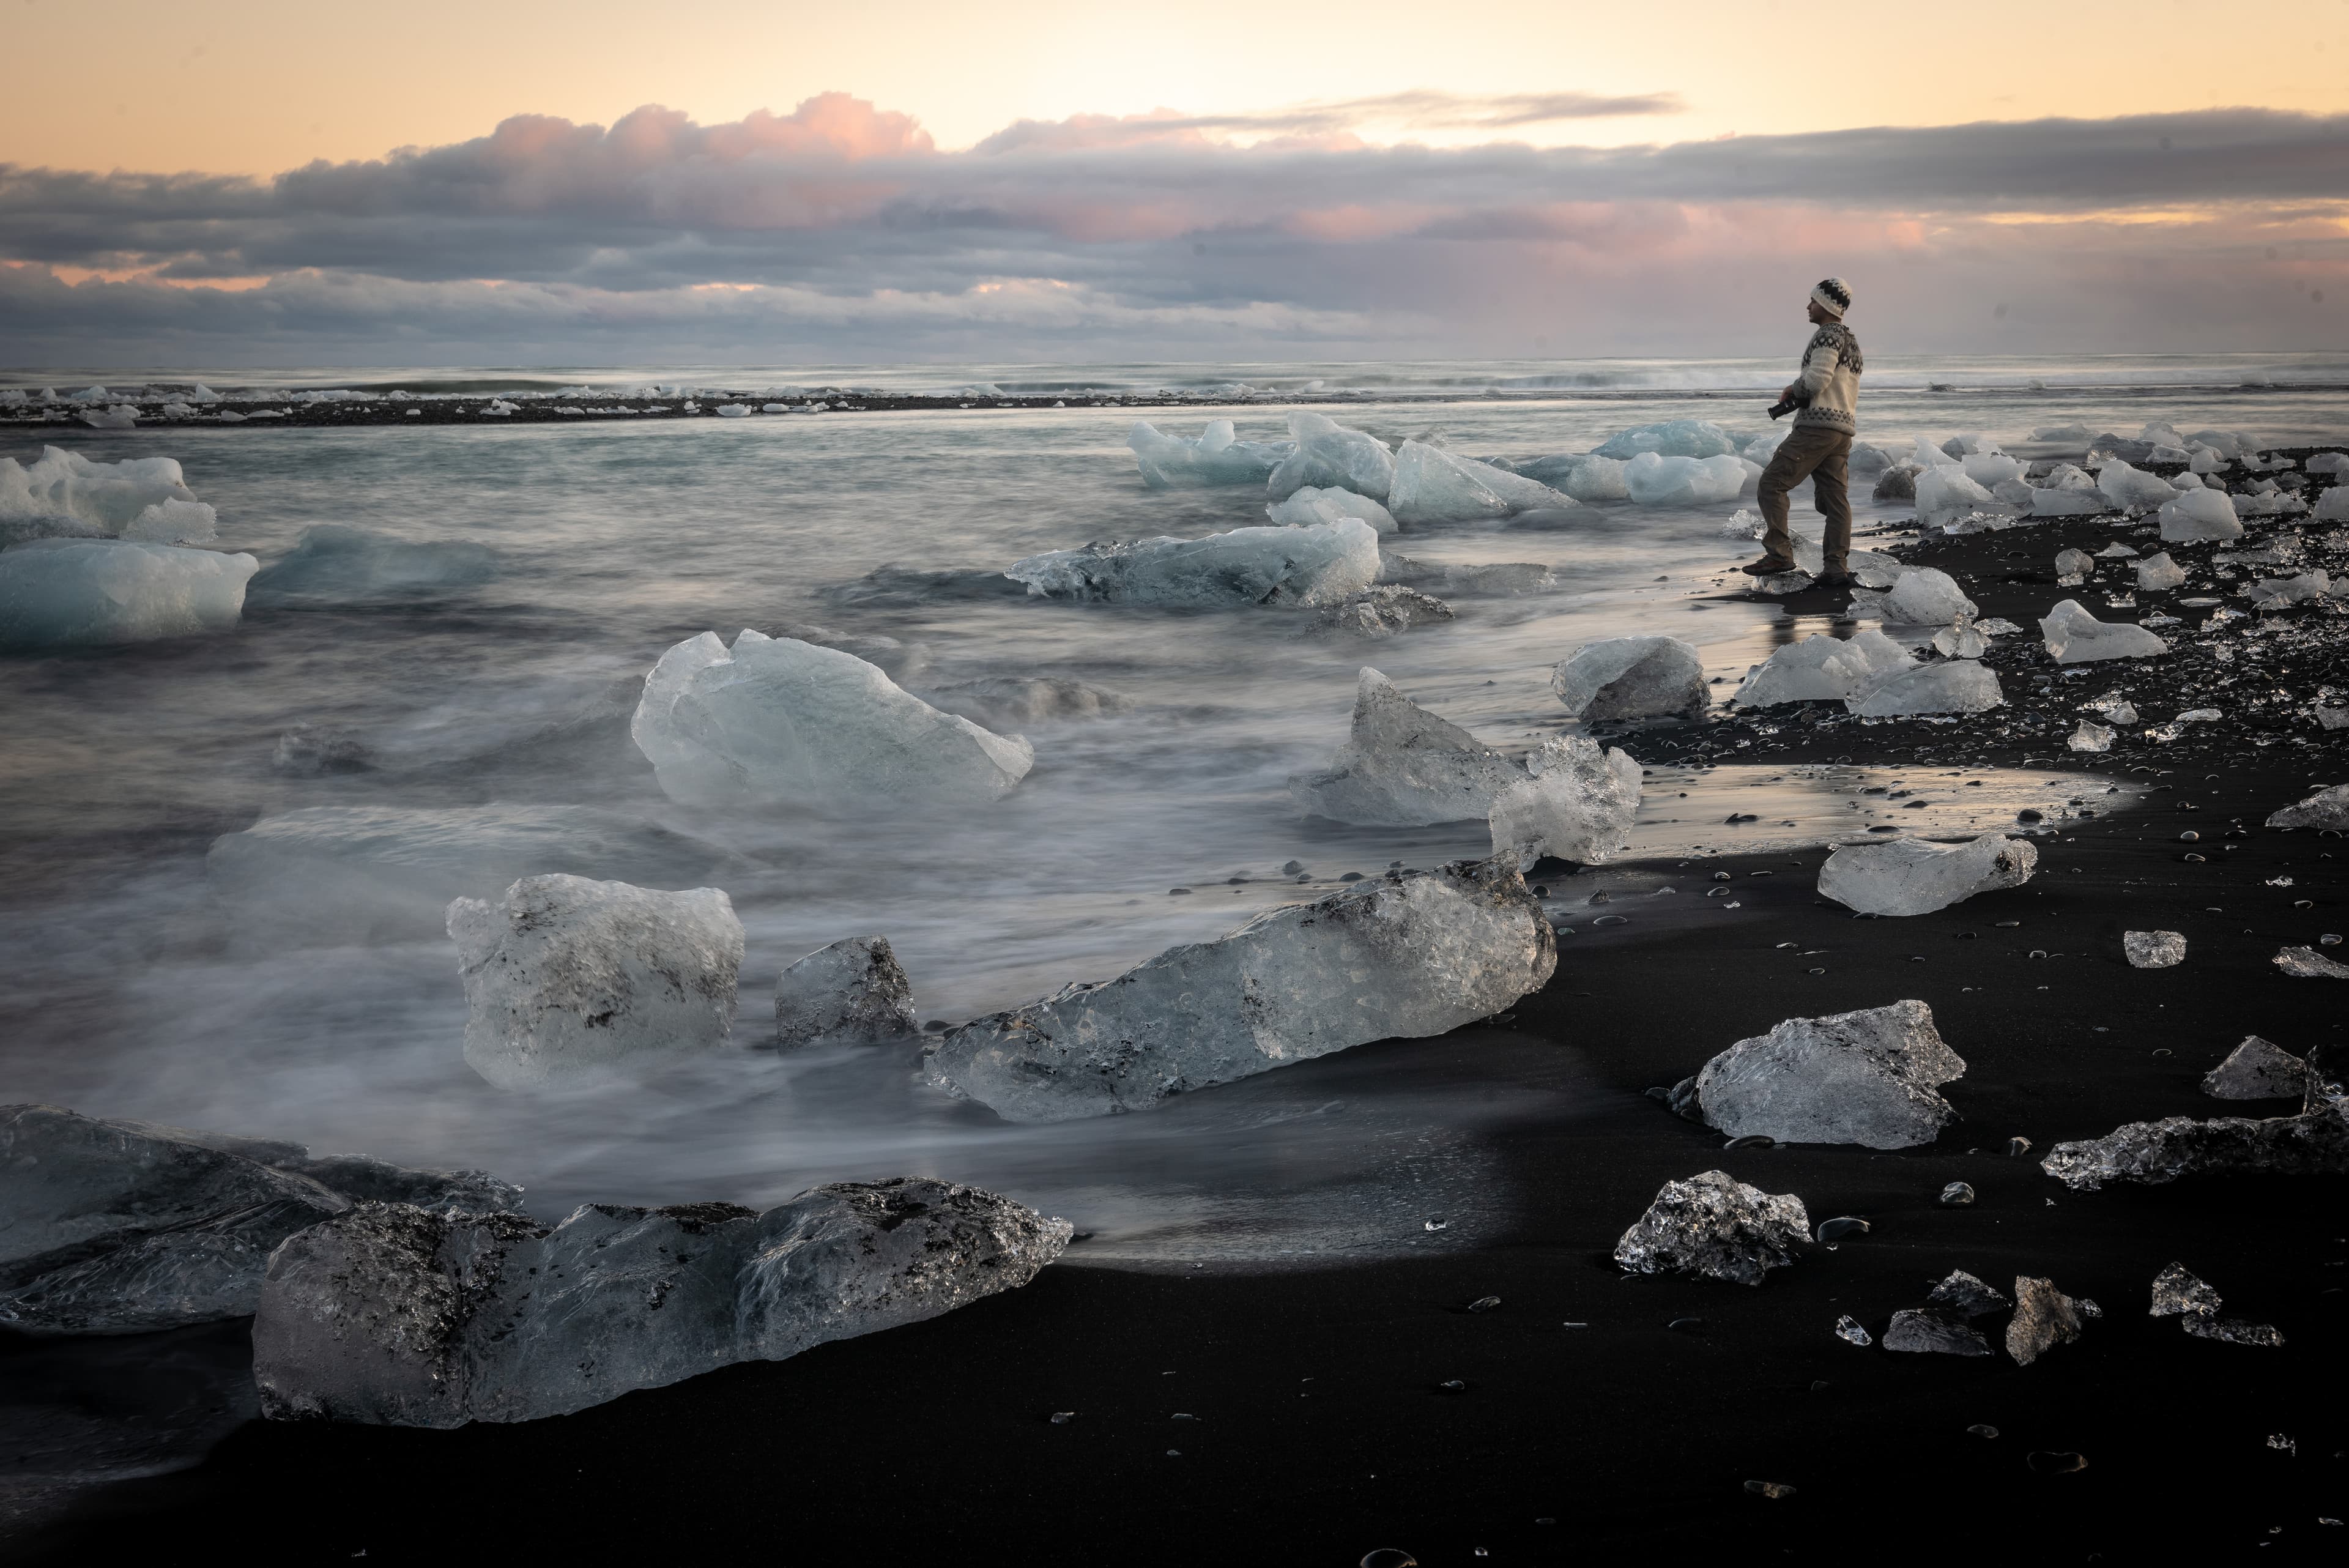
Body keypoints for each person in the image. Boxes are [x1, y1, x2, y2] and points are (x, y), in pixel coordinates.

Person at [1740, 277, 1861, 587]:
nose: (1808, 306)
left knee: (1771, 484)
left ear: (1827, 305)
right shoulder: (1851, 341)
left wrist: (1794, 389)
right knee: (1836, 501)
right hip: (1842, 432)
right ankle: (1836, 570)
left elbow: (1818, 380)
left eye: (1813, 301)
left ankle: (1779, 554)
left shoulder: (1828, 335)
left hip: (1816, 428)